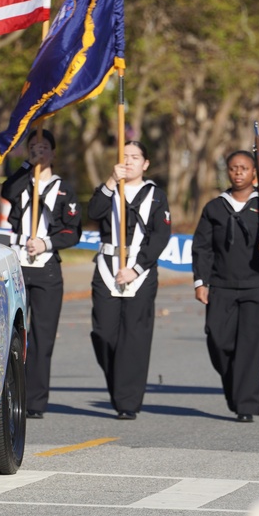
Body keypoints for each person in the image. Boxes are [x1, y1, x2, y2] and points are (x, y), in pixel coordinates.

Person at [192, 150, 259, 422]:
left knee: (250, 345)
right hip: (222, 285)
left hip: (258, 286)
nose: (238, 173)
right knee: (218, 340)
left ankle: (247, 405)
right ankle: (237, 386)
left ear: (254, 174)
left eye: (244, 168)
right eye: (233, 168)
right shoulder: (215, 207)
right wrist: (201, 282)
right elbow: (202, 248)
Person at [0, 129, 82, 418]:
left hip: (46, 267)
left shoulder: (63, 189)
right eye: (34, 147)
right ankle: (9, 395)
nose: (39, 151)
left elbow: (74, 232)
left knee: (42, 338)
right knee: (13, 335)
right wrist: (26, 165)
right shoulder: (23, 182)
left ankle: (35, 402)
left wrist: (46, 242)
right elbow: (6, 192)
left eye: (45, 147)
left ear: (53, 152)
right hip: (19, 264)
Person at [88, 141, 171, 420]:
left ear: (145, 163)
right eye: (124, 157)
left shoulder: (156, 195)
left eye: (135, 157)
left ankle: (128, 402)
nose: (129, 162)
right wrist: (111, 181)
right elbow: (93, 212)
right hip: (106, 268)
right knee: (104, 333)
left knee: (134, 338)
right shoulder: (110, 189)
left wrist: (136, 268)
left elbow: (160, 237)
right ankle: (118, 381)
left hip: (141, 271)